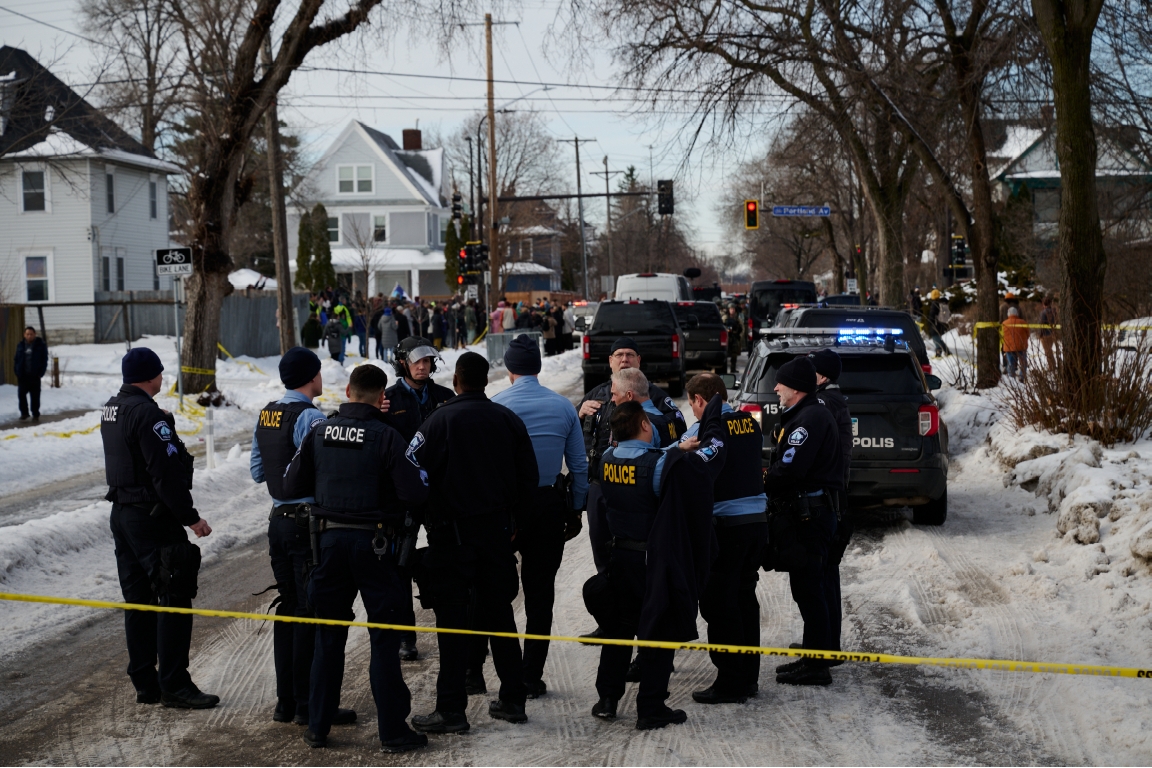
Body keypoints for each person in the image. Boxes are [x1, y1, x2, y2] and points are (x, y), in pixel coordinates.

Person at [281, 364, 430, 753]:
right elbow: (415, 493)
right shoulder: (387, 436)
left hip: (327, 544)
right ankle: (393, 732)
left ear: (347, 391)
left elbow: (291, 483)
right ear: (382, 397)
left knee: (328, 636)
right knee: (383, 638)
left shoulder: (319, 431)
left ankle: (317, 725)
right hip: (376, 546)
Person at [410, 352, 539, 733]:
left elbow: (412, 472)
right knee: (500, 616)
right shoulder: (508, 420)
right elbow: (529, 479)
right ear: (487, 381)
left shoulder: (437, 421)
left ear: (457, 381)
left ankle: (451, 710)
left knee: (453, 624)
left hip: (450, 537)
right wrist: (516, 524)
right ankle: (513, 699)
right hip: (497, 534)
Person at [463, 336, 588, 699]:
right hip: (548, 505)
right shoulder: (563, 407)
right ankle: (531, 675)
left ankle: (476, 672)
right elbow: (579, 466)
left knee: (490, 590)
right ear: (538, 367)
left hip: (504, 509)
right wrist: (575, 509)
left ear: (511, 369)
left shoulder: (497, 404)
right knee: (540, 594)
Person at [589, 399, 721, 729]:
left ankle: (607, 698)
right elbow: (670, 469)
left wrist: (678, 447)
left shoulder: (607, 459)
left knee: (619, 629)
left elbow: (650, 461)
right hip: (652, 561)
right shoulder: (660, 464)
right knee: (658, 628)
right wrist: (686, 448)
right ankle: (651, 706)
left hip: (618, 557)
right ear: (645, 426)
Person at [99, 347, 218, 709]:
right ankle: (174, 684)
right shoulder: (149, 415)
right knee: (175, 595)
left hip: (123, 514)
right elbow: (166, 475)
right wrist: (191, 518)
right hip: (153, 517)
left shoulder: (113, 407)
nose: (163, 378)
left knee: (138, 600)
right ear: (149, 376)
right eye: (160, 373)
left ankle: (145, 682)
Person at [250, 348, 356, 727]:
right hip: (306, 524)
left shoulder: (267, 413)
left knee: (289, 609)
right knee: (311, 611)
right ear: (313, 377)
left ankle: (287, 702)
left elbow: (257, 472)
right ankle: (309, 705)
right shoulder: (309, 416)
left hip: (278, 519)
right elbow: (329, 462)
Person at [676, 373, 768, 705]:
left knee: (718, 602)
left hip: (726, 527)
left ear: (700, 400)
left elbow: (674, 459)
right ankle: (748, 677)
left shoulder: (703, 431)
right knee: (744, 598)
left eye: (692, 405)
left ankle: (730, 681)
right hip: (757, 523)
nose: (693, 412)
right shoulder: (750, 423)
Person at [762, 357, 844, 687]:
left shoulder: (808, 419)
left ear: (795, 388)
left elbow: (791, 469)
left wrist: (762, 480)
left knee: (811, 589)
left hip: (812, 515)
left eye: (780, 383)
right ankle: (813, 656)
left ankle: (817, 665)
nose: (776, 388)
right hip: (810, 512)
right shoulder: (806, 414)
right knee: (808, 587)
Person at [577, 338, 684, 574]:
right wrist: (579, 414)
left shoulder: (654, 397)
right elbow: (572, 438)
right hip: (599, 484)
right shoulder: (596, 394)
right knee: (601, 547)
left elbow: (678, 436)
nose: (624, 359)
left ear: (639, 360)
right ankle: (610, 594)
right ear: (610, 361)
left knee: (637, 548)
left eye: (629, 354)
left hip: (638, 484)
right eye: (619, 355)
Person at [383, 336, 455, 661]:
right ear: (403, 363)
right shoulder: (387, 399)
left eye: (428, 361)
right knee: (399, 566)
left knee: (446, 559)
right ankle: (404, 638)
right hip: (403, 496)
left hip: (440, 493)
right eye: (417, 362)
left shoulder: (444, 396)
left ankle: (452, 630)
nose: (424, 367)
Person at [810, 350, 853, 663]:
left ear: (822, 376)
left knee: (822, 576)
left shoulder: (825, 403)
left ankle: (826, 648)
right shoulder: (830, 400)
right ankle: (825, 645)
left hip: (828, 498)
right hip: (834, 495)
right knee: (825, 575)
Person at [609, 367, 686, 447]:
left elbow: (633, 458)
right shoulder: (664, 418)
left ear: (629, 395)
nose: (612, 399)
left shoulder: (635, 422)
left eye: (614, 394)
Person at [14, 326, 48, 422]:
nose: (29, 336)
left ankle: (35, 413)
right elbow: (16, 359)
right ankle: (24, 413)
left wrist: (40, 373)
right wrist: (17, 371)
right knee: (21, 395)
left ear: (34, 335)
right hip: (23, 376)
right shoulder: (20, 345)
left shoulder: (40, 345)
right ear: (24, 335)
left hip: (34, 376)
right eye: (27, 334)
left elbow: (44, 360)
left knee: (35, 396)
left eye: (31, 334)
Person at [1003, 306, 1029, 379]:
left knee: (1011, 364)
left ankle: (1011, 379)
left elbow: (1002, 335)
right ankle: (1022, 377)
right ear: (1017, 313)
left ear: (1008, 314)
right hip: (1021, 346)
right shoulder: (1023, 322)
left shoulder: (1004, 323)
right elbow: (1028, 334)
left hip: (1009, 347)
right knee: (1023, 363)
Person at [925, 290, 952, 357]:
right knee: (939, 339)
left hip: (935, 324)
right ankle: (947, 351)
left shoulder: (934, 304)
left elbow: (932, 315)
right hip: (940, 324)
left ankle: (938, 353)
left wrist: (929, 323)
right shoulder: (942, 302)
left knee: (936, 339)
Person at [1039, 296, 1059, 369]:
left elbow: (1041, 324)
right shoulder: (1054, 312)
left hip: (1045, 334)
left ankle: (1052, 366)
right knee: (1049, 350)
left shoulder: (1043, 312)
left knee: (1047, 351)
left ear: (1043, 303)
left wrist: (1041, 334)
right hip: (1053, 333)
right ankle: (1053, 365)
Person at [724, 305, 745, 374]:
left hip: (734, 338)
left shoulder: (737, 319)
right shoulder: (725, 318)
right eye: (731, 309)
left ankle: (733, 368)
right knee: (725, 354)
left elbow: (742, 328)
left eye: (733, 309)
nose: (732, 310)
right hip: (727, 338)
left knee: (734, 354)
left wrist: (739, 336)